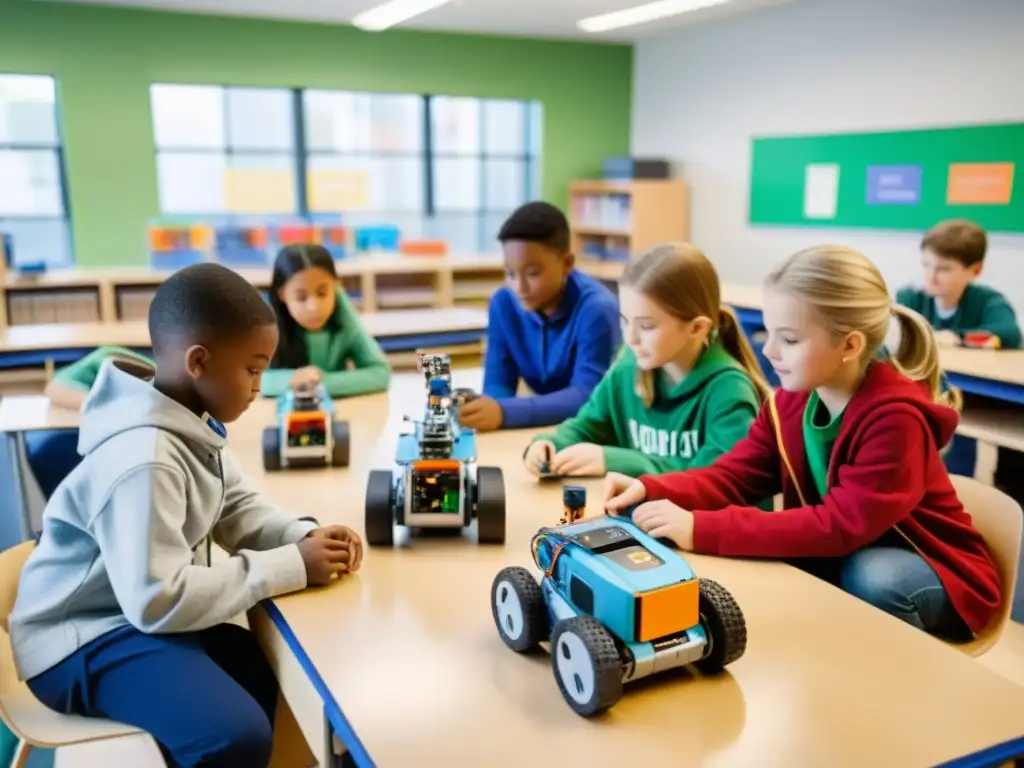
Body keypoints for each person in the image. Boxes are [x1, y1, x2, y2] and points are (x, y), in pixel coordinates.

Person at [8, 262, 363, 768]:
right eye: (253, 369)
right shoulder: (145, 457)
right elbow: (157, 601)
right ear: (199, 362)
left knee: (258, 671)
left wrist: (303, 537)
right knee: (232, 735)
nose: (260, 384)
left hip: (130, 613)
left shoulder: (189, 421)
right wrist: (291, 566)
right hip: (82, 638)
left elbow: (236, 508)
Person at [605, 245, 1000, 639]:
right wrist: (652, 487)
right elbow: (735, 476)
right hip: (848, 553)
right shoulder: (790, 401)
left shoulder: (895, 418)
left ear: (850, 345)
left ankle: (894, 683)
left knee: (874, 577)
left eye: (790, 340)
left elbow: (839, 525)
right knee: (825, 569)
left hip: (938, 571)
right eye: (769, 333)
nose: (769, 351)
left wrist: (699, 527)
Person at [523, 242, 768, 480]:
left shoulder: (729, 390)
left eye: (646, 326)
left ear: (696, 329)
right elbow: (587, 425)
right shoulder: (629, 366)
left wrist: (617, 461)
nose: (630, 339)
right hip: (643, 516)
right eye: (625, 320)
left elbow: (716, 481)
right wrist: (549, 444)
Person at [460, 201, 621, 432]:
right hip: (544, 428)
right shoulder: (503, 304)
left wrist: (503, 412)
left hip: (594, 430)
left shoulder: (597, 309)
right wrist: (485, 410)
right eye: (510, 273)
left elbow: (587, 395)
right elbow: (498, 383)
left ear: (567, 264)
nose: (519, 287)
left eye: (533, 273)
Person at [262, 244, 390, 398]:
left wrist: (322, 382)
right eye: (301, 297)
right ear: (282, 295)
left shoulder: (344, 316)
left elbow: (381, 373)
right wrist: (292, 378)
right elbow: (252, 380)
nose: (314, 307)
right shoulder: (266, 321)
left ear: (336, 287)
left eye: (322, 293)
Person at [896, 219, 1021, 350]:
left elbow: (1010, 334)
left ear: (975, 270)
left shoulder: (989, 301)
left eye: (944, 269)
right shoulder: (910, 299)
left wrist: (957, 337)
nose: (930, 277)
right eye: (926, 265)